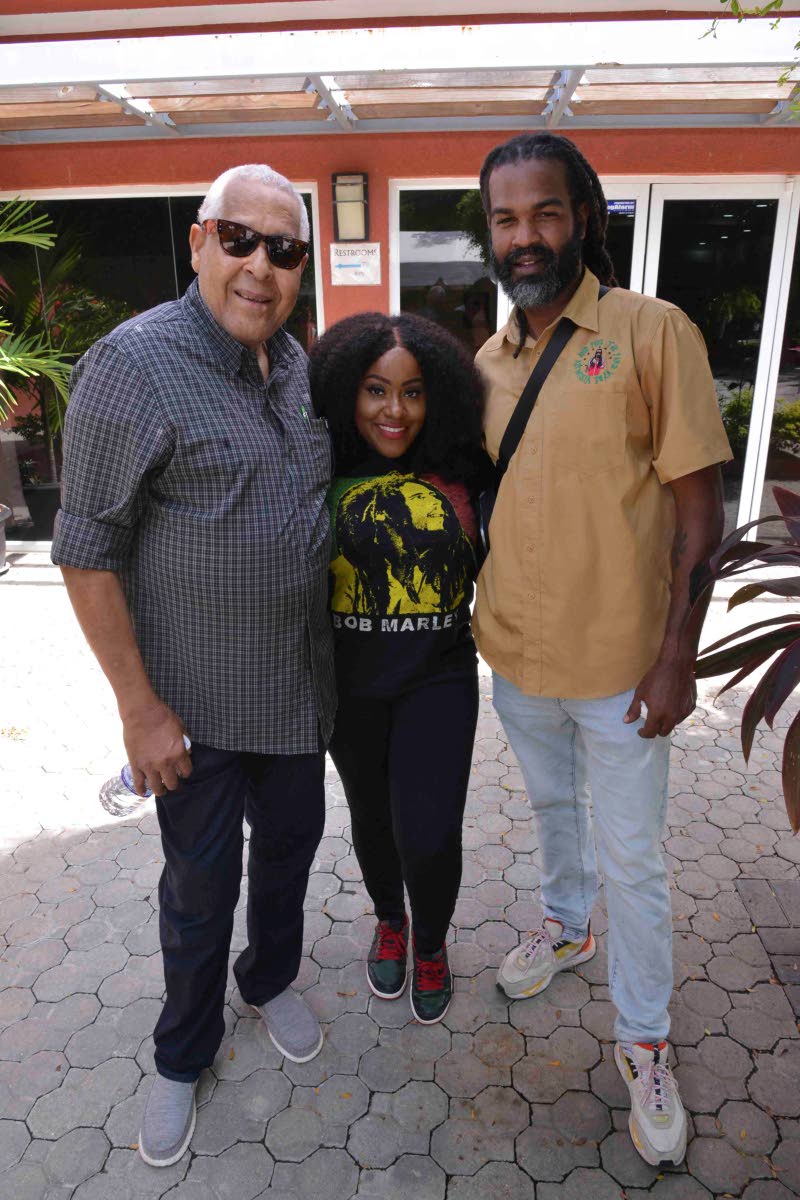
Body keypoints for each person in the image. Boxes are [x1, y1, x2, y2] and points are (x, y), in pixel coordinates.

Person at [51, 164, 335, 1168]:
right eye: (240, 239)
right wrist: (138, 711)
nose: (260, 266)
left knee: (293, 852)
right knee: (199, 886)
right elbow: (83, 547)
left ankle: (268, 979)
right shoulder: (133, 364)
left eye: (284, 249)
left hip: (297, 694)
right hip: (195, 710)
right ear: (200, 241)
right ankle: (182, 1050)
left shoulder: (296, 365)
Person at [475, 132, 731, 1168]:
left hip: (625, 670)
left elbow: (698, 516)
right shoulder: (487, 359)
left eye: (543, 213)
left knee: (636, 863)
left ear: (583, 215)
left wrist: (678, 656)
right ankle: (560, 923)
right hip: (517, 656)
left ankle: (643, 1039)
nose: (523, 236)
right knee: (547, 814)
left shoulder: (648, 332)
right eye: (503, 219)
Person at [310, 312, 489, 1024]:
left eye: (412, 392)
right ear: (347, 393)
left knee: (432, 830)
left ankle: (433, 943)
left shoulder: (466, 469)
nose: (394, 410)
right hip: (349, 685)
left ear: (435, 395)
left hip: (438, 678)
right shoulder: (319, 465)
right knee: (372, 821)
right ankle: (391, 918)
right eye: (376, 391)